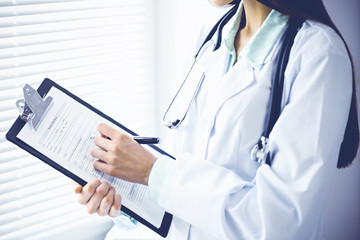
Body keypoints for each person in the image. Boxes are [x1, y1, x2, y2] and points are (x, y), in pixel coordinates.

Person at [74, 0, 359, 239]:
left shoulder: (318, 54)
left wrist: (153, 173)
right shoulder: (211, 38)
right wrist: (127, 199)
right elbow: (185, 180)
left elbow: (281, 223)